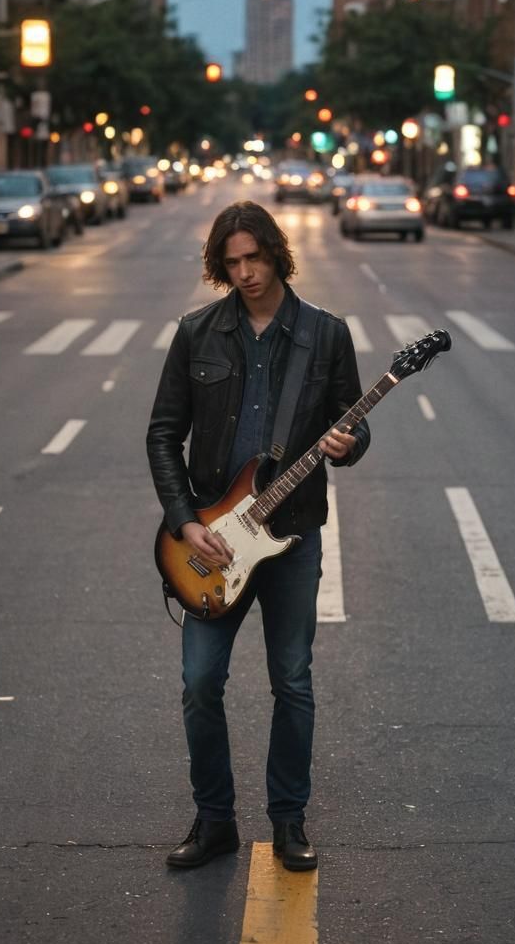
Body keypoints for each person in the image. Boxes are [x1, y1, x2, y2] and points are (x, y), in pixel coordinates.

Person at [146, 200, 370, 873]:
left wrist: (348, 442)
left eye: (255, 258)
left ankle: (288, 821)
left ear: (277, 253)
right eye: (232, 262)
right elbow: (162, 435)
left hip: (292, 539)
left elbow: (354, 427)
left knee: (293, 682)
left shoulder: (325, 336)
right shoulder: (197, 334)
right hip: (211, 540)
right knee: (199, 682)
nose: (245, 274)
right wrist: (187, 522)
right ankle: (214, 821)